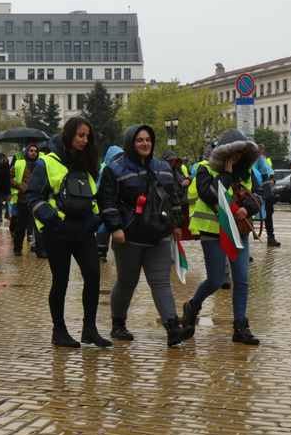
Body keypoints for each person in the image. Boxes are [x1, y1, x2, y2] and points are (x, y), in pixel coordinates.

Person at [25, 118, 111, 348]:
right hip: (58, 233)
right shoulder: (47, 162)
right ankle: (59, 331)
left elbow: (95, 196)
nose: (85, 140)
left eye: (87, 136)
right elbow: (33, 197)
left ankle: (89, 329)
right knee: (60, 282)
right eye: (81, 135)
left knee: (93, 276)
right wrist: (53, 221)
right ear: (69, 134)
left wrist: (96, 219)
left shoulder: (88, 162)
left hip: (84, 231)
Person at [99, 125, 185, 347]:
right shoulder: (115, 169)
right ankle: (118, 324)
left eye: (148, 139)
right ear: (130, 142)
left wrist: (176, 224)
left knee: (161, 282)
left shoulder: (163, 167)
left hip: (159, 235)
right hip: (129, 237)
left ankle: (173, 327)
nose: (145, 143)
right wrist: (115, 227)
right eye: (139, 140)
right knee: (127, 282)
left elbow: (173, 197)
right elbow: (106, 201)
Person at [181, 128, 265, 345]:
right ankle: (192, 305)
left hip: (238, 231)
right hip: (213, 231)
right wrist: (227, 175)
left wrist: (248, 208)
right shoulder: (204, 169)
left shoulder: (246, 170)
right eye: (233, 153)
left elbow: (261, 193)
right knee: (216, 280)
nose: (237, 158)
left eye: (240, 154)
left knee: (242, 280)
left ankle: (240, 326)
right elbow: (209, 195)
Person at [9, 143, 42, 258]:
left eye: (35, 151)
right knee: (21, 226)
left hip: (37, 200)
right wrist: (20, 186)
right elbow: (8, 177)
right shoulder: (20, 164)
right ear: (27, 152)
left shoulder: (40, 164)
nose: (33, 153)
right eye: (31, 151)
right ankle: (17, 248)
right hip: (23, 200)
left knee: (39, 226)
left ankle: (39, 249)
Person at [95, 145, 124, 262]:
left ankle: (117, 252)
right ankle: (101, 253)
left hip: (118, 207)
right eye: (116, 157)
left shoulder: (121, 169)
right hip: (104, 206)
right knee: (103, 231)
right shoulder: (103, 169)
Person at [256, 143, 280, 247]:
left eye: (262, 149)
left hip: (266, 190)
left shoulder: (265, 160)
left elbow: (271, 173)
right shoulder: (251, 158)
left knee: (268, 215)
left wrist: (273, 180)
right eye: (259, 149)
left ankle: (271, 237)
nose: (261, 150)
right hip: (255, 189)